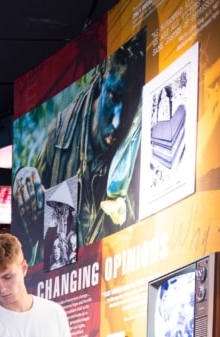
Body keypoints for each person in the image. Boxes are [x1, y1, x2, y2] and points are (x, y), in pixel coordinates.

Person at [12, 31, 145, 263]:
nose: (117, 121)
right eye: (114, 96)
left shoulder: (142, 137)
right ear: (102, 80)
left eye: (131, 101)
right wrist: (23, 181)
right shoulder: (61, 134)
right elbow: (28, 239)